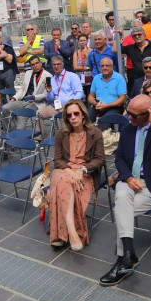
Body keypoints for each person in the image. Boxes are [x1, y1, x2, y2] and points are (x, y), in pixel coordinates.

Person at [99, 94, 151, 286]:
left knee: (121, 209)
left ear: (148, 113)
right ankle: (127, 255)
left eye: (134, 115)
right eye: (128, 113)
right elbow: (119, 157)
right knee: (122, 196)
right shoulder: (128, 128)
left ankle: (124, 258)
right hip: (129, 179)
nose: (129, 117)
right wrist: (128, 177)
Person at [47, 99, 106, 251]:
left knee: (63, 186)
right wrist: (68, 170)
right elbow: (57, 159)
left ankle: (60, 236)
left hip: (84, 174)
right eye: (69, 115)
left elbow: (100, 159)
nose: (72, 117)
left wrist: (82, 169)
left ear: (83, 115)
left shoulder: (95, 134)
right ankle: (73, 233)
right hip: (63, 170)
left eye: (76, 114)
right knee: (63, 179)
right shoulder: (62, 134)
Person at [42, 54, 85, 119]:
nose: (56, 66)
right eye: (54, 64)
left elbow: (80, 93)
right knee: (38, 114)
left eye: (58, 64)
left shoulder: (72, 76)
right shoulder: (52, 80)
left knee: (63, 117)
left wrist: (71, 103)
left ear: (63, 64)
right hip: (55, 106)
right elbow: (49, 99)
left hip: (69, 106)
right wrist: (49, 92)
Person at [87, 57, 127, 122]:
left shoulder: (119, 78)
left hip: (114, 107)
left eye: (107, 66)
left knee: (105, 122)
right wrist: (95, 103)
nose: (104, 68)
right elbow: (90, 96)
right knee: (85, 120)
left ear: (112, 67)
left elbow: (122, 99)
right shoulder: (96, 78)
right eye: (102, 66)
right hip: (98, 106)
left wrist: (106, 105)